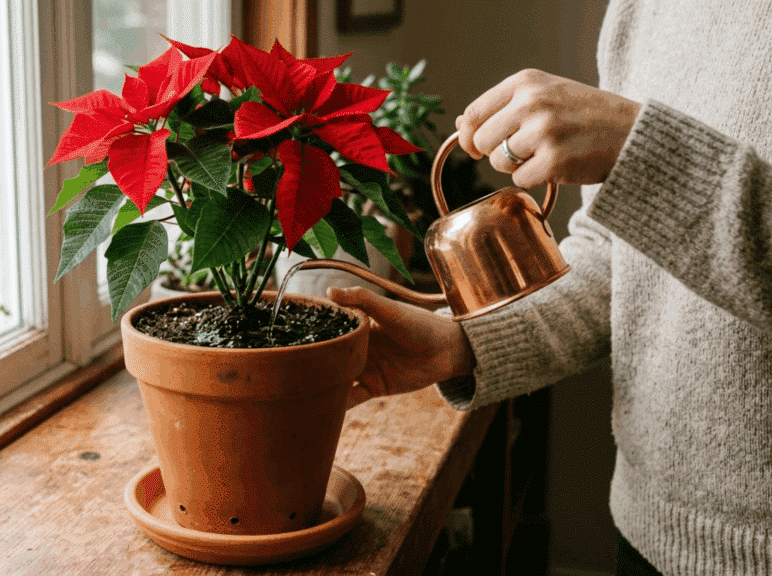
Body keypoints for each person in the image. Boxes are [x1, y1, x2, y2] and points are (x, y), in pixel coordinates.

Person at [327, 1, 772, 575]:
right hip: (649, 529)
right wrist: (463, 345)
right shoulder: (647, 9)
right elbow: (621, 260)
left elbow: (648, 174)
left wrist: (644, 154)